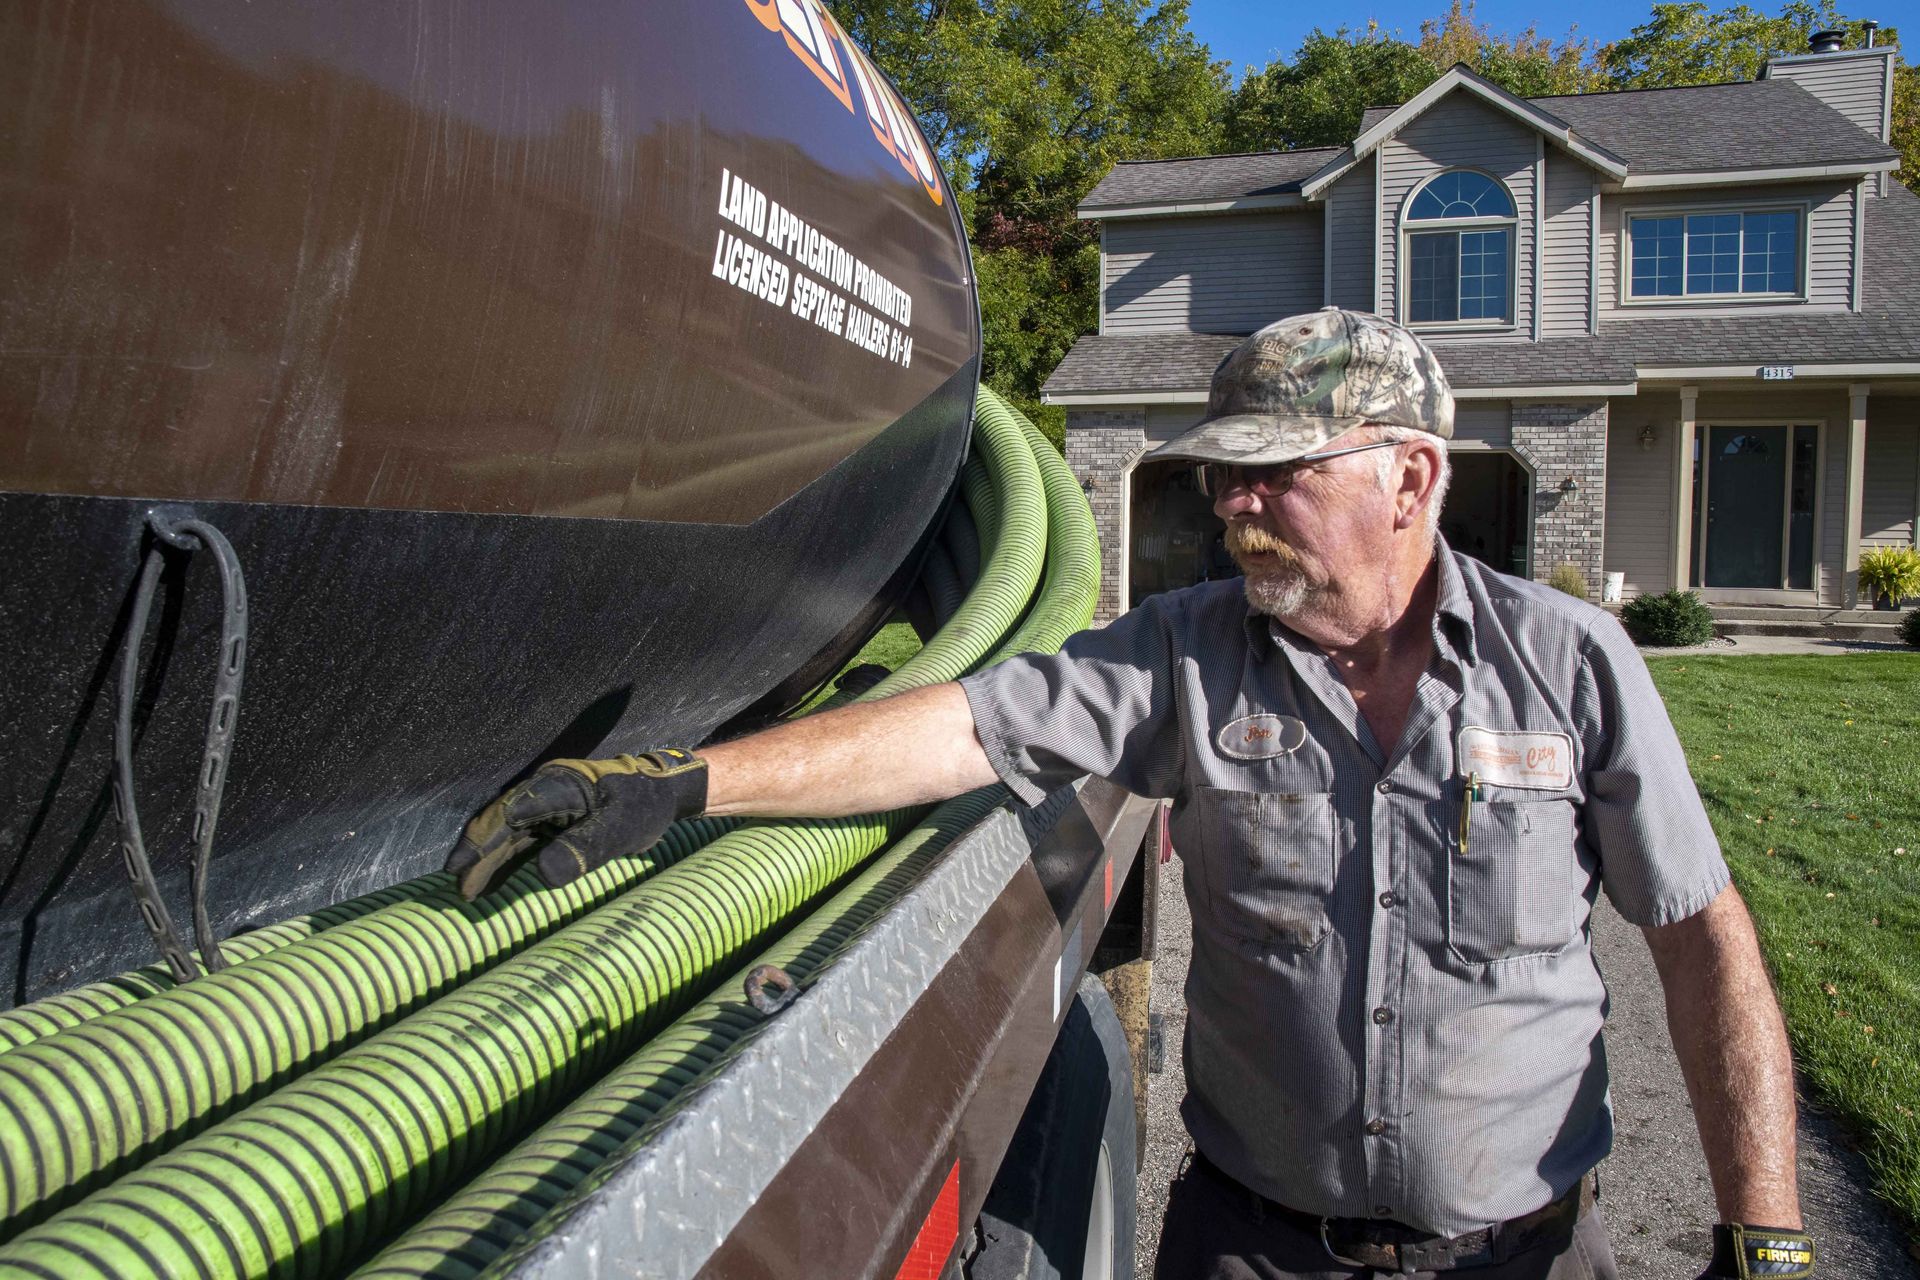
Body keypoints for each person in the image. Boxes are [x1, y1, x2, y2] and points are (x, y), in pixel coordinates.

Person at [447, 308, 1814, 1280]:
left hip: (1525, 1254)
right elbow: (966, 729)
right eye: (1227, 474)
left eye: (1279, 471)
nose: (1234, 504)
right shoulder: (1181, 653)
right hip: (1255, 1251)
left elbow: (1701, 941)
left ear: (1414, 476)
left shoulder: (1567, 663)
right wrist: (683, 782)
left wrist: (1767, 1227)